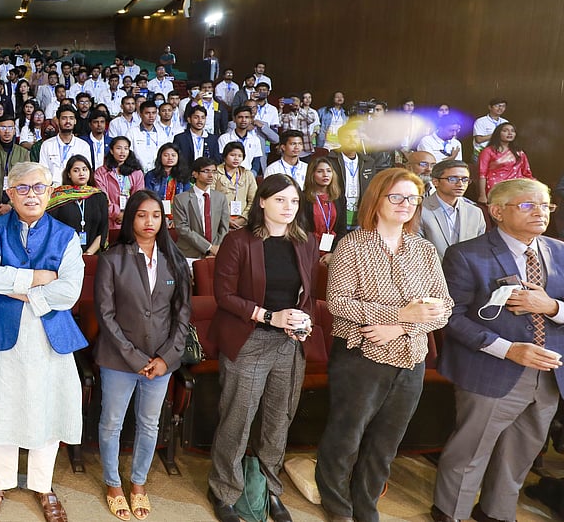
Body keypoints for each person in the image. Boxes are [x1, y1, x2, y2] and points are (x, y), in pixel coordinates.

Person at [315, 168, 453, 522]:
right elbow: (339, 304)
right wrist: (402, 313)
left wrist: (400, 325)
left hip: (411, 358)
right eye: (396, 196)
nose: (405, 204)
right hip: (360, 356)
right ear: (376, 199)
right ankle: (337, 505)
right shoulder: (352, 245)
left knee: (386, 442)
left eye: (413, 198)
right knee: (347, 436)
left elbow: (444, 308)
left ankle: (366, 506)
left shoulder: (424, 250)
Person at [431, 178, 564, 522]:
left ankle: (496, 513)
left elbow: (556, 308)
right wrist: (508, 350)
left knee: (521, 452)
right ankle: (451, 512)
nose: (540, 213)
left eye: (546, 206)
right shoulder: (466, 254)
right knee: (470, 451)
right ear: (497, 211)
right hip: (490, 368)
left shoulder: (560, 251)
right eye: (528, 205)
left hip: (549, 373)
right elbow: (452, 317)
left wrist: (551, 307)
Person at [0, 162, 87, 522]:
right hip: (2, 333)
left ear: (50, 193)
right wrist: (40, 278)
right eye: (22, 188)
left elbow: (69, 291)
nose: (31, 194)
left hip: (50, 336)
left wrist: (19, 289)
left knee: (47, 409)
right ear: (9, 193)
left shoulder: (66, 235)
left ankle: (43, 485)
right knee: (1, 408)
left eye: (38, 187)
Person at [205, 174, 319, 522]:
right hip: (249, 339)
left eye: (294, 201)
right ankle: (224, 490)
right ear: (263, 202)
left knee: (277, 421)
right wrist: (270, 316)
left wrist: (304, 322)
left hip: (288, 344)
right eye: (280, 200)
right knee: (237, 420)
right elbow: (224, 296)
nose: (288, 207)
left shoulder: (305, 241)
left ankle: (270, 488)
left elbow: (309, 295)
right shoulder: (239, 241)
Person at [95, 190, 191, 521]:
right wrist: (135, 359)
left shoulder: (174, 260)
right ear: (130, 219)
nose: (149, 221)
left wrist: (166, 358)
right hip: (118, 359)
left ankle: (138, 483)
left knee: (149, 424)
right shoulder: (112, 259)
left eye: (156, 215)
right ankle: (113, 484)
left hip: (161, 362)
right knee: (112, 423)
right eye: (141, 215)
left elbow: (182, 315)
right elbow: (105, 316)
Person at [419, 159, 486, 259]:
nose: (460, 184)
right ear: (435, 181)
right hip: (432, 267)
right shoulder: (420, 209)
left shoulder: (475, 212)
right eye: (453, 179)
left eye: (465, 179)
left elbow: (479, 249)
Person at [47, 155, 109, 256]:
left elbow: (103, 230)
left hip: (93, 255)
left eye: (85, 169)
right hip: (64, 254)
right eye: (76, 170)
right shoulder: (59, 197)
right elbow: (52, 230)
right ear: (69, 174)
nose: (81, 173)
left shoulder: (99, 196)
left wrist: (88, 253)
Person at [173, 158, 230, 258]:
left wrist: (215, 248)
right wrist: (208, 247)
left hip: (216, 252)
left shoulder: (221, 198)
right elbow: (182, 228)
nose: (211, 175)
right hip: (190, 253)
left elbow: (224, 227)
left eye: (214, 171)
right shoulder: (181, 199)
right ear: (195, 174)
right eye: (206, 171)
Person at [95, 136, 145, 237]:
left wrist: (127, 215)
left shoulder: (137, 172)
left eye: (126, 148)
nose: (122, 152)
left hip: (131, 219)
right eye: (118, 148)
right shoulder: (101, 172)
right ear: (111, 151)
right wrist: (117, 213)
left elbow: (139, 197)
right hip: (109, 220)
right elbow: (103, 198)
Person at [301, 156, 348, 260]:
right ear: (312, 174)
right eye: (320, 171)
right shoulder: (303, 198)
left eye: (329, 171)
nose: (325, 174)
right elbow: (301, 229)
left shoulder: (339, 198)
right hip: (308, 251)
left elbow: (342, 229)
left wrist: (332, 253)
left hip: (333, 251)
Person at [477, 122, 533, 201]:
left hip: (517, 186)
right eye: (505, 130)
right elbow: (482, 174)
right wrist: (482, 195)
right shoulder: (488, 151)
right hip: (496, 187)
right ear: (498, 133)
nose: (510, 133)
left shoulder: (519, 153)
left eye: (512, 131)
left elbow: (526, 173)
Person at [213, 142, 257, 230]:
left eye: (240, 156)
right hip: (218, 222)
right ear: (225, 156)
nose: (236, 158)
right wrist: (225, 219)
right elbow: (210, 200)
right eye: (232, 155)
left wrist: (243, 218)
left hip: (243, 223)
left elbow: (254, 200)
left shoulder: (248, 175)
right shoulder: (215, 173)